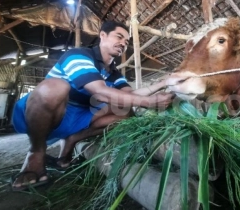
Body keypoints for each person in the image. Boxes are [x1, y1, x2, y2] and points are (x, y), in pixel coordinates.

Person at [11, 20, 176, 191]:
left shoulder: (113, 73)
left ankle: (72, 139)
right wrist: (149, 102)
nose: (123, 44)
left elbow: (130, 96)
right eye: (119, 37)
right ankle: (36, 154)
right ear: (102, 35)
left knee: (125, 111)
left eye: (126, 42)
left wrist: (163, 83)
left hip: (78, 118)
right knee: (54, 87)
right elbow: (99, 92)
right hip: (46, 115)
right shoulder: (78, 55)